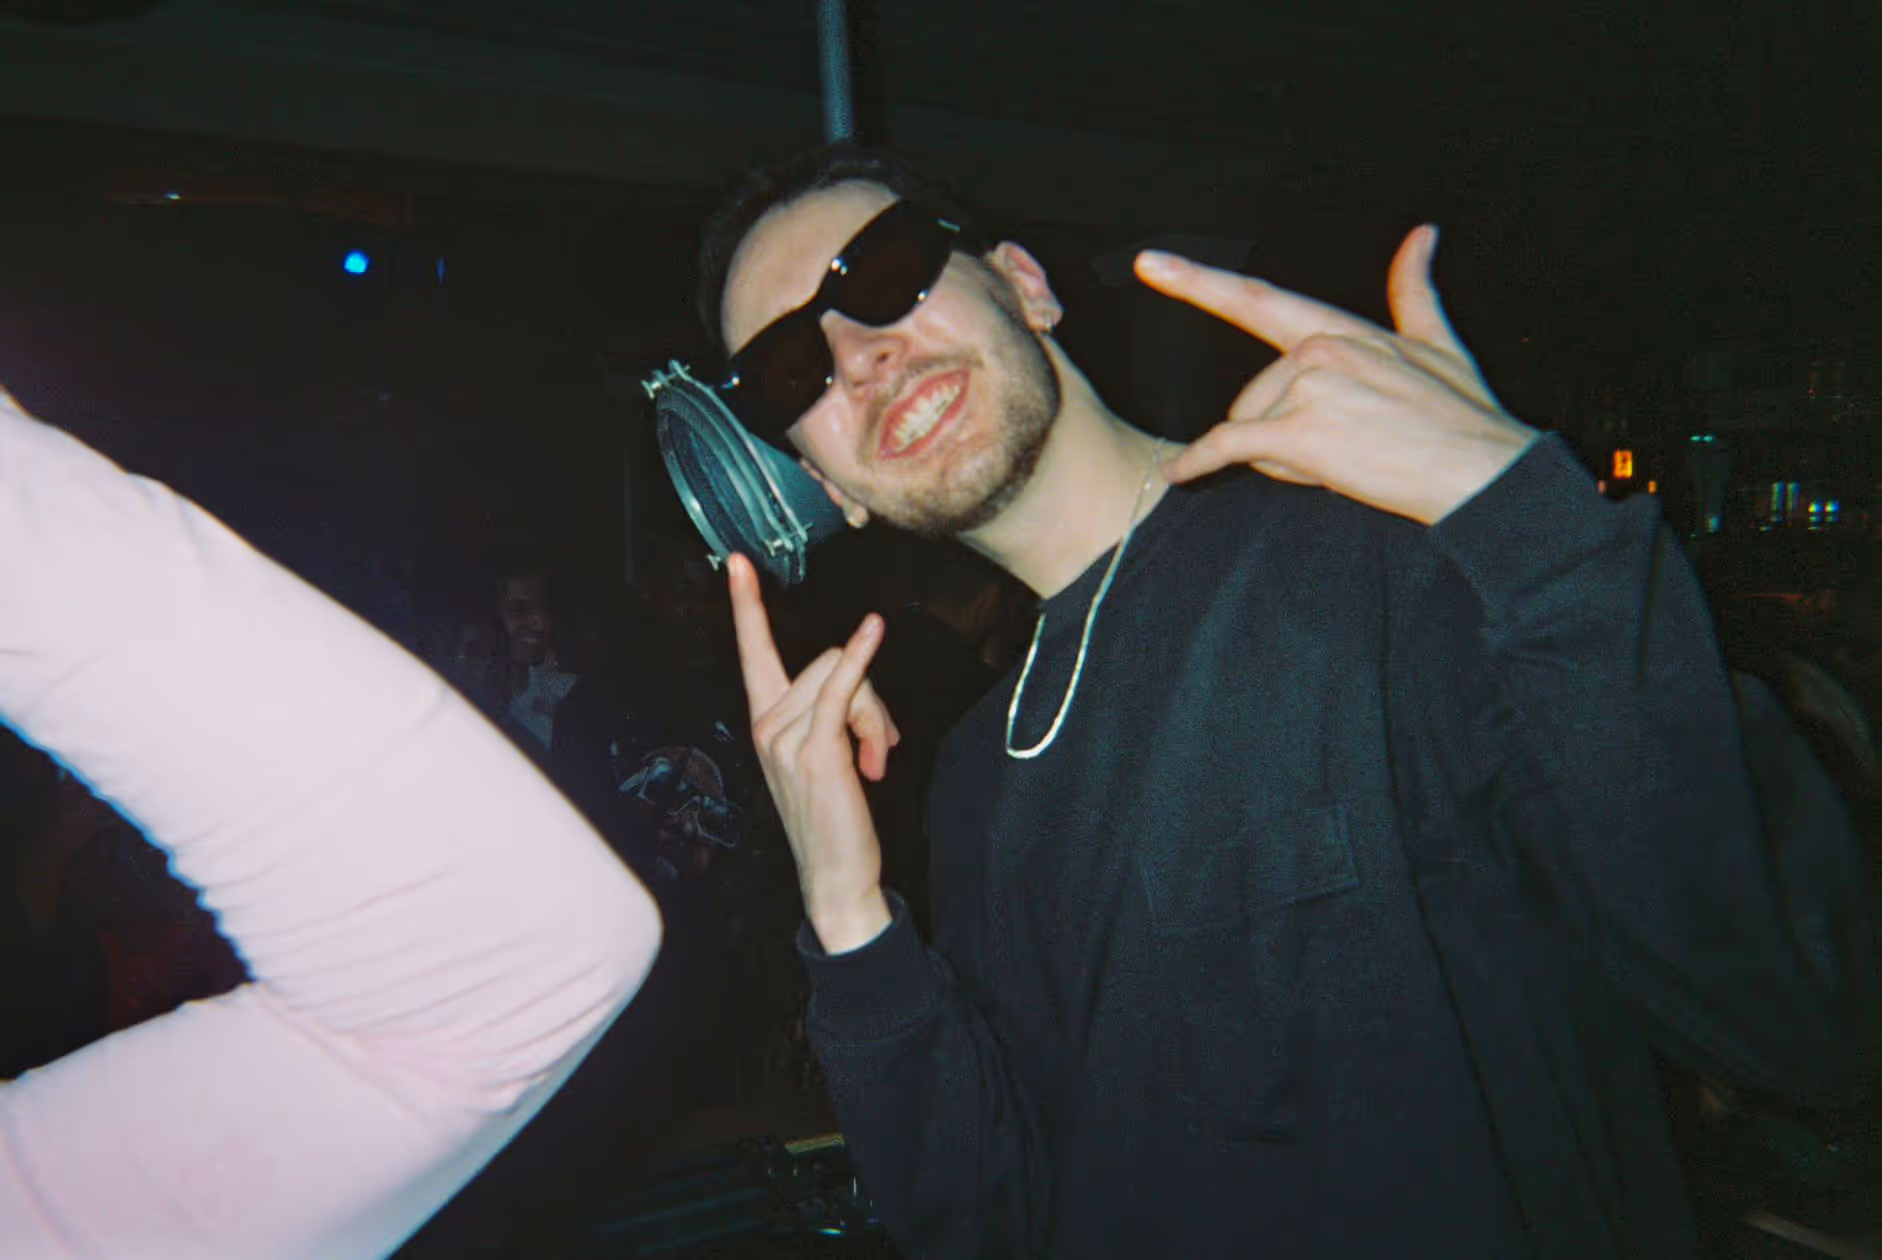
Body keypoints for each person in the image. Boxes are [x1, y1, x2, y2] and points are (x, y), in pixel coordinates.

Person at [694, 144, 1879, 1258]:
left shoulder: (1382, 558)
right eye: (789, 369)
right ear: (822, 486)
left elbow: (1800, 1011)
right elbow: (993, 1219)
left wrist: (1516, 511)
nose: (858, 355)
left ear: (1025, 285)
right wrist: (849, 915)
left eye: (885, 276)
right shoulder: (973, 779)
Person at [0, 381, 662, 1259]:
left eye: (532, 611)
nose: (519, 630)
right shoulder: (398, 728)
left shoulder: (583, 710)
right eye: (503, 613)